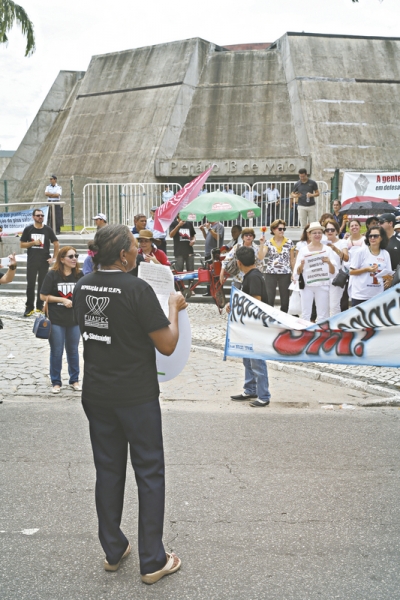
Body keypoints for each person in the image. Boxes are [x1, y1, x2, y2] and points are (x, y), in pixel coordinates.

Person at [73, 224, 186, 584]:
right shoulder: (136, 289)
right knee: (149, 472)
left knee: (108, 469)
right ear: (122, 254)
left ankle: (113, 548)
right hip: (135, 395)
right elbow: (167, 344)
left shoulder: (82, 284)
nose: (140, 251)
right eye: (136, 247)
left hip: (97, 392)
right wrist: (172, 307)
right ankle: (153, 560)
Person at [229, 246, 271, 408]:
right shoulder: (250, 275)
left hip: (256, 326)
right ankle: (250, 389)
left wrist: (236, 307)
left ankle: (263, 396)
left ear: (239, 262)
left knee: (257, 362)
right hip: (248, 325)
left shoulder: (253, 277)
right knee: (247, 360)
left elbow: (255, 301)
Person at [40, 246, 83, 393]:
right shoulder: (52, 275)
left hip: (74, 320)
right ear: (62, 259)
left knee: (73, 350)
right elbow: (43, 296)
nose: (74, 259)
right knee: (57, 351)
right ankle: (56, 382)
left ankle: (75, 380)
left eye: (76, 256)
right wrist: (62, 300)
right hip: (56, 319)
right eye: (71, 256)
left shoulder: (79, 274)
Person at [20, 208, 59, 317]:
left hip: (44, 261)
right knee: (30, 285)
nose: (40, 217)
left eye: (42, 215)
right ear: (33, 217)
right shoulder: (28, 229)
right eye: (38, 215)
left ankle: (40, 306)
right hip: (32, 261)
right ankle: (29, 307)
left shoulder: (47, 229)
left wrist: (54, 258)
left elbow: (56, 243)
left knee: (42, 285)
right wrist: (33, 243)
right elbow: (22, 244)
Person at [294, 222, 336, 322]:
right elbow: (297, 272)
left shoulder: (327, 250)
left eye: (319, 232)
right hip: (307, 285)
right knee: (306, 313)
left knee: (323, 313)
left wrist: (329, 263)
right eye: (314, 233)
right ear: (309, 235)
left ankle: (322, 334)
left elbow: (333, 271)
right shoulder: (303, 250)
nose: (317, 235)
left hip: (322, 284)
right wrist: (301, 265)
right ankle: (306, 334)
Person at [349, 226, 392, 306]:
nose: (372, 238)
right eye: (370, 236)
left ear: (381, 238)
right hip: (360, 295)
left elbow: (388, 274)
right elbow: (351, 271)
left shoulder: (385, 254)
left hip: (377, 295)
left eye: (375, 236)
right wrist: (366, 269)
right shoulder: (360, 252)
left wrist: (389, 279)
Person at [258, 219, 294, 313]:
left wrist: (293, 272)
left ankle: (284, 318)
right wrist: (261, 244)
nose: (282, 231)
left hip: (285, 273)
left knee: (285, 298)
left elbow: (292, 259)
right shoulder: (268, 242)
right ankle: (270, 318)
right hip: (270, 272)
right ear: (273, 230)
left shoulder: (289, 242)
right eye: (280, 229)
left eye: (283, 229)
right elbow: (261, 257)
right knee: (269, 298)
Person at [323, 219, 349, 316]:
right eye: (327, 230)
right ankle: (325, 328)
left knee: (334, 306)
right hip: (323, 277)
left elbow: (346, 258)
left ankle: (335, 328)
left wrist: (334, 248)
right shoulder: (321, 243)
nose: (330, 232)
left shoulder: (342, 242)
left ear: (337, 231)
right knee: (323, 306)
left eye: (332, 230)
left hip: (337, 278)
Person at [199, 220, 224, 296]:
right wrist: (203, 230)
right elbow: (207, 238)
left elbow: (217, 237)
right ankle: (209, 291)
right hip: (208, 253)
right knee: (208, 273)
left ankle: (219, 292)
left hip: (214, 253)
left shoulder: (219, 226)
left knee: (215, 274)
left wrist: (209, 228)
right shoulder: (211, 226)